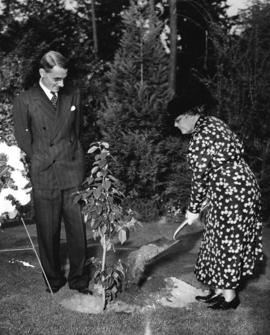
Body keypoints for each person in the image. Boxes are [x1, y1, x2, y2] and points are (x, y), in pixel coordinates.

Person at [167, 92, 263, 310]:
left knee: (227, 241)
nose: (175, 125)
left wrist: (192, 210)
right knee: (215, 236)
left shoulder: (200, 138)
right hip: (238, 186)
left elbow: (199, 179)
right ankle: (219, 292)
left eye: (178, 119)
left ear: (191, 114)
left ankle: (230, 298)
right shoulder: (213, 123)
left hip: (233, 192)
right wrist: (210, 196)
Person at [13, 51, 91, 294]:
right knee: (48, 231)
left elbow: (77, 131)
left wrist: (75, 160)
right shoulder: (25, 99)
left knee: (77, 230)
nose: (62, 84)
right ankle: (53, 280)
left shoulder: (73, 94)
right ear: (42, 73)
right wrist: (42, 158)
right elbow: (24, 139)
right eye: (56, 79)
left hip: (71, 170)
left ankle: (79, 280)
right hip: (44, 172)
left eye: (64, 78)